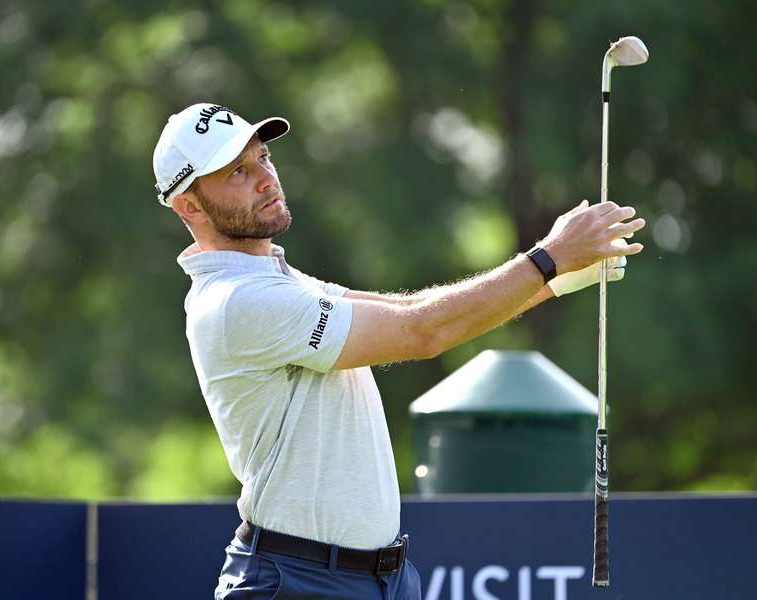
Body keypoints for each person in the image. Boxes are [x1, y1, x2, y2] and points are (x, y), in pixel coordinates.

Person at [151, 103, 645, 600]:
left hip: (378, 578)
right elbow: (420, 332)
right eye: (238, 171)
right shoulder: (238, 301)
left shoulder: (276, 278)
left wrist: (553, 280)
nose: (265, 178)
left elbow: (409, 307)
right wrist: (547, 258)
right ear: (190, 207)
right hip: (297, 582)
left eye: (263, 158)